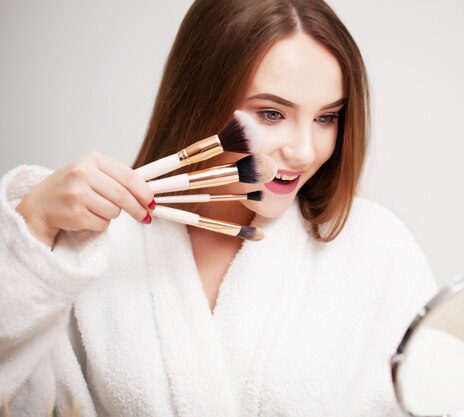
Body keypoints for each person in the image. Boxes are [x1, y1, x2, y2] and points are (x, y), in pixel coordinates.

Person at [0, 0, 436, 415]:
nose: (304, 151)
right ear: (198, 98)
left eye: (326, 117)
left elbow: (439, 395)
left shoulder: (377, 247)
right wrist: (33, 225)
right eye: (271, 114)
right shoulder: (94, 247)